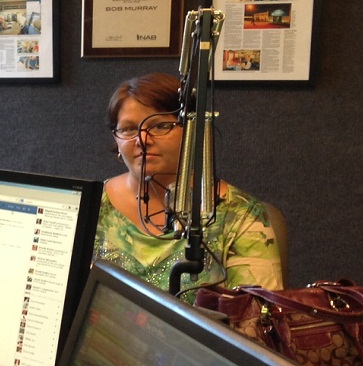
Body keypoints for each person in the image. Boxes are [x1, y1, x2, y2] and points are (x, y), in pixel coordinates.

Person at [96, 73, 282, 302]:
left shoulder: (239, 216)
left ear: (193, 132)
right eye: (128, 129)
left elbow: (255, 319)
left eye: (160, 126)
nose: (142, 140)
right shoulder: (92, 205)